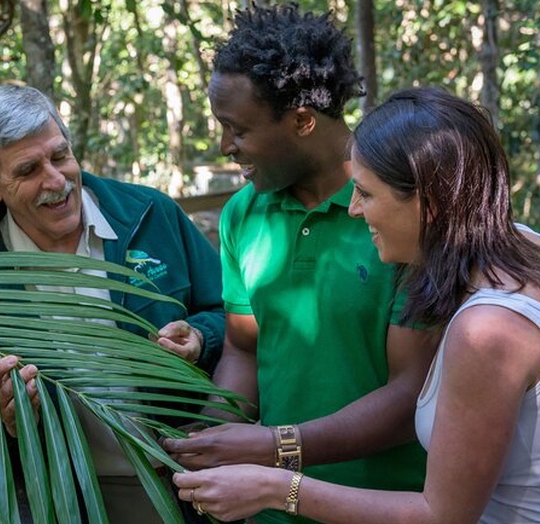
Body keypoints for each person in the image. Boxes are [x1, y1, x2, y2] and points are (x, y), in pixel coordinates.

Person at [172, 87, 540, 523]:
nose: (353, 210)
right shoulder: (527, 245)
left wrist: (275, 487)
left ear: (429, 202)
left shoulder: (488, 331)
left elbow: (442, 516)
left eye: (366, 193)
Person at [162, 4, 437, 523]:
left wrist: (272, 449)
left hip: (385, 505)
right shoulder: (243, 214)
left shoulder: (400, 210)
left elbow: (411, 394)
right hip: (266, 507)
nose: (225, 147)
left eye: (237, 129)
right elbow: (244, 350)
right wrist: (207, 437)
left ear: (303, 121)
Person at [0, 84, 225, 524]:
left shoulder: (149, 213)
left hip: (183, 478)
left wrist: (199, 337)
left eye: (60, 156)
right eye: (28, 170)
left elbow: (231, 313)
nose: (56, 181)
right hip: (64, 496)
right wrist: (7, 419)